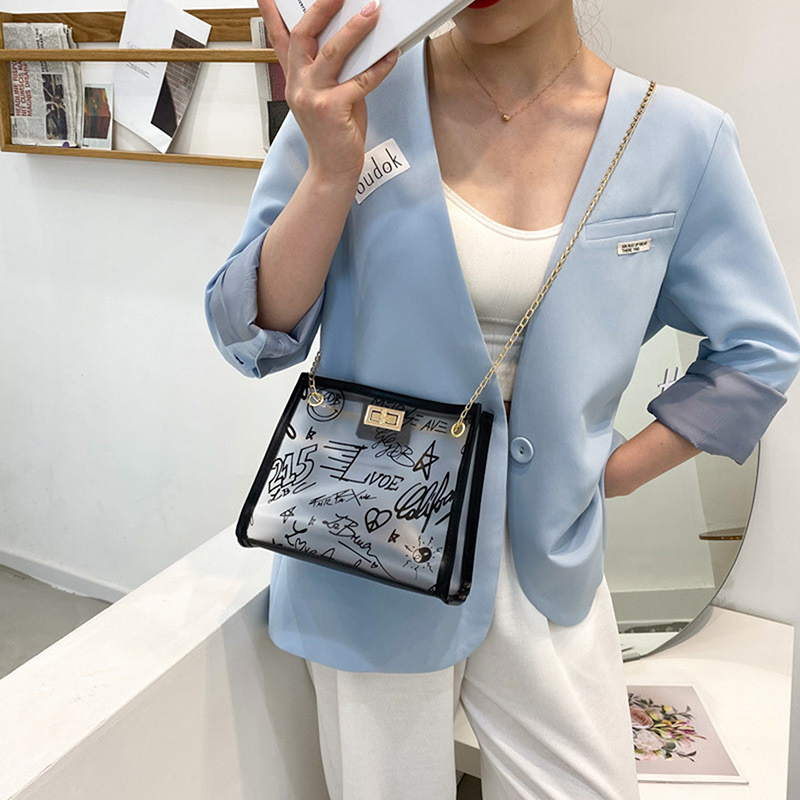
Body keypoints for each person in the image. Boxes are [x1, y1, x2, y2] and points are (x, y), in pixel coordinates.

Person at [204, 0, 800, 797]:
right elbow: (250, 333)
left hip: (548, 562)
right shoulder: (358, 100)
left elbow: (761, 349)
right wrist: (329, 173)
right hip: (375, 548)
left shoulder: (678, 139)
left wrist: (613, 473)